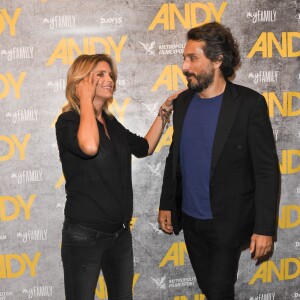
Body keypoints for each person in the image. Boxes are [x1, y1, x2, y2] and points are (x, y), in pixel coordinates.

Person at [158, 22, 280, 300]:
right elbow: (174, 157)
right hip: (190, 219)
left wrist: (264, 228)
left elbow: (266, 171)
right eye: (184, 58)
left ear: (217, 60)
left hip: (227, 221)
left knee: (219, 291)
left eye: (192, 58)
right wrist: (167, 203)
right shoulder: (184, 102)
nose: (184, 66)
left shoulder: (249, 104)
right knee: (210, 289)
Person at [55, 53, 177, 300]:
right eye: (100, 74)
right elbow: (89, 146)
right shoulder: (68, 121)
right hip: (84, 235)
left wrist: (164, 112)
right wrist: (86, 101)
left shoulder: (110, 121)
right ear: (82, 81)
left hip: (119, 235)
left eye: (110, 74)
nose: (109, 79)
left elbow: (145, 147)